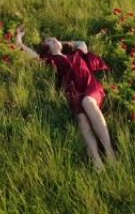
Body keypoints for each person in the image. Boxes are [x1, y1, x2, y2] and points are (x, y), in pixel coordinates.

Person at [15, 25, 116, 170]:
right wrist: (19, 38)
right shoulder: (49, 59)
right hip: (73, 91)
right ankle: (96, 160)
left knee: (88, 102)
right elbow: (24, 50)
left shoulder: (76, 54)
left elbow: (82, 43)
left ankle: (110, 152)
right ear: (46, 48)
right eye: (49, 40)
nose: (54, 40)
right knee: (82, 119)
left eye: (54, 39)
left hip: (89, 85)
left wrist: (60, 43)